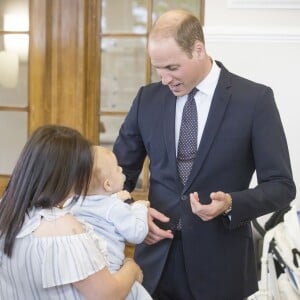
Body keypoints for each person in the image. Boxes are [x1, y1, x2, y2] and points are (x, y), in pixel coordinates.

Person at [113, 9, 297, 300]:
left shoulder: (255, 101)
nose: (164, 79)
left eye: (172, 67)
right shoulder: (146, 100)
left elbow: (282, 186)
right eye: (158, 69)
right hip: (154, 268)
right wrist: (131, 212)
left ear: (198, 49)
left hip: (222, 270)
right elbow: (116, 176)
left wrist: (232, 203)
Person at [0, 125, 143, 300]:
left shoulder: (6, 212)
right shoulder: (63, 227)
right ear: (69, 176)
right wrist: (131, 268)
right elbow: (107, 294)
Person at [72, 145, 152, 300]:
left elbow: (99, 209)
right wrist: (139, 208)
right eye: (117, 168)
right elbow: (137, 233)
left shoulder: (74, 202)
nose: (122, 169)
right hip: (112, 274)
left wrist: (115, 199)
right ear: (108, 185)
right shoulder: (114, 207)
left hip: (87, 274)